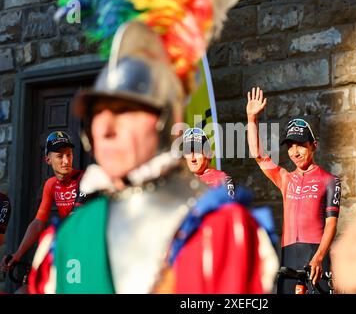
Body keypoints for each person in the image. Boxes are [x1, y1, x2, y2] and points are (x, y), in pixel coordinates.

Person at [28, 21, 278, 294]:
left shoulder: (222, 230)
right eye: (98, 113)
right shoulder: (65, 240)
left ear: (164, 121)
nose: (108, 129)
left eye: (125, 111)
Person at [246, 87, 341, 294]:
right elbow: (258, 155)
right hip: (288, 255)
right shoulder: (285, 178)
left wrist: (319, 257)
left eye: (300, 145)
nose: (294, 152)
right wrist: (251, 119)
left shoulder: (330, 180)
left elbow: (331, 224)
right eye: (290, 146)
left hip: (316, 256)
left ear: (313, 145)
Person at [1, 131, 85, 273]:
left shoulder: (84, 178)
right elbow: (38, 222)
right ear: (48, 160)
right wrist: (18, 254)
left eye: (69, 154)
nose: (66, 161)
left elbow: (76, 220)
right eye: (60, 156)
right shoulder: (50, 185)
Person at [182, 127, 235, 198]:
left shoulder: (222, 179)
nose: (192, 158)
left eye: (197, 152)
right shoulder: (183, 183)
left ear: (209, 154)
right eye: (188, 152)